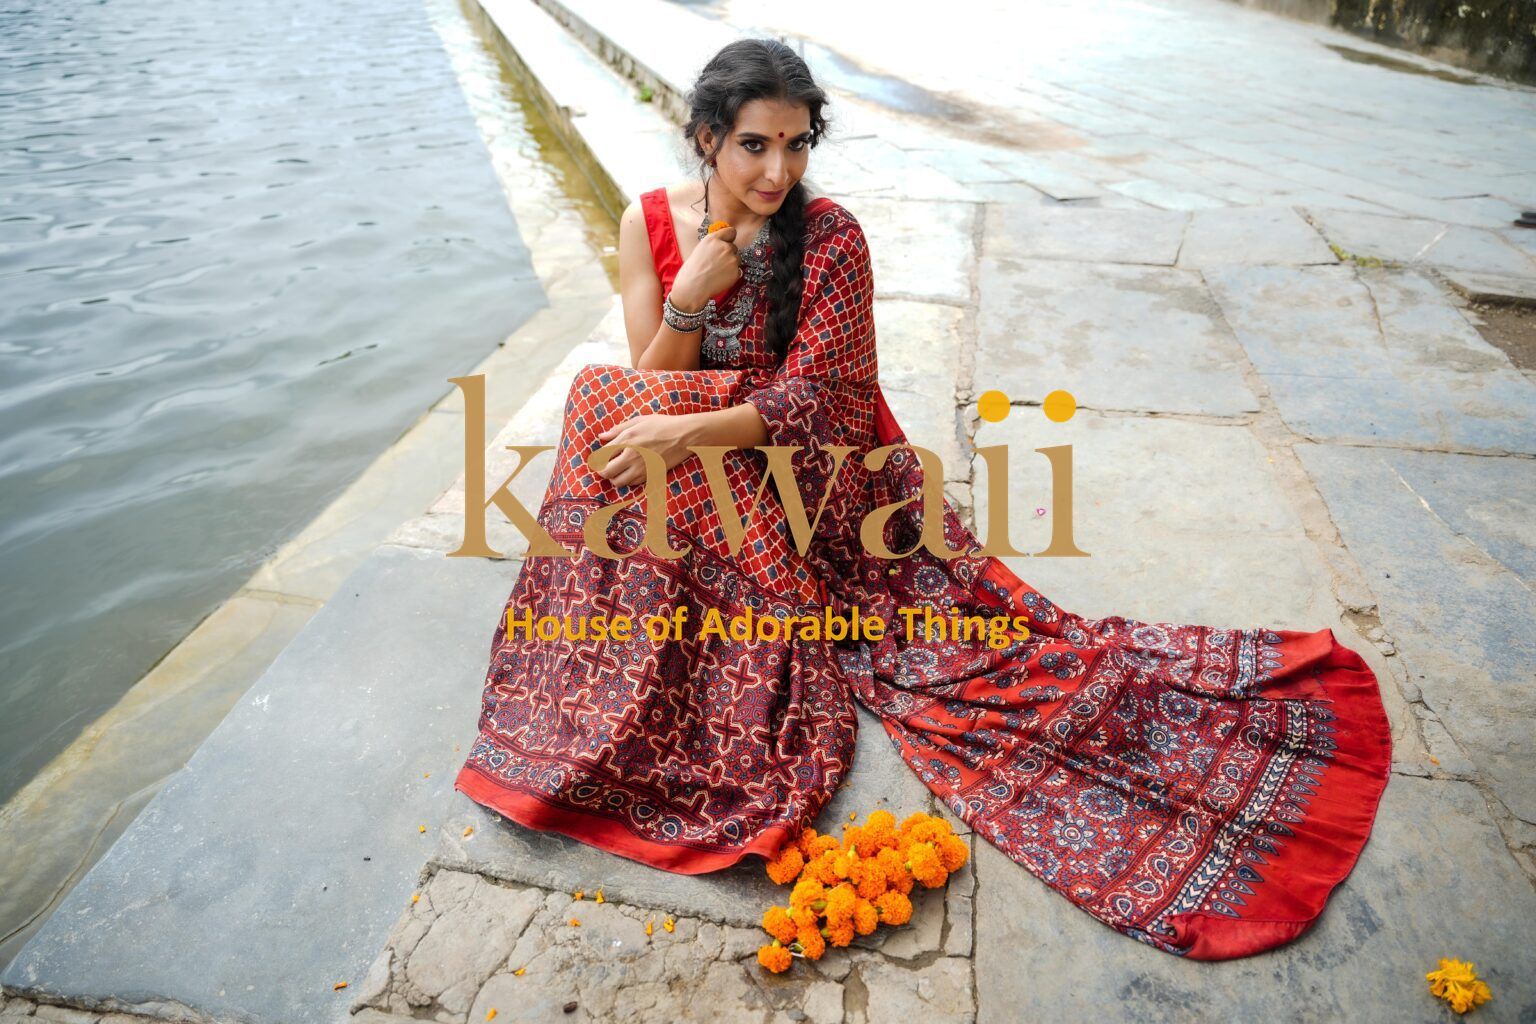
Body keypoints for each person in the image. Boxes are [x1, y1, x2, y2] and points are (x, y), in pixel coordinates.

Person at [453, 38, 1392, 961]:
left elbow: (824, 403)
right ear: (706, 137)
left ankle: (674, 646)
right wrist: (695, 292)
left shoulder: (831, 238)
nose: (779, 169)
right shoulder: (648, 221)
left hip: (828, 490)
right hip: (717, 475)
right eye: (754, 145)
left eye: (797, 144)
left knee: (633, 421)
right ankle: (601, 685)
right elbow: (654, 386)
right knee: (610, 406)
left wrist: (680, 429)